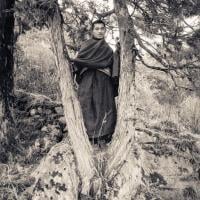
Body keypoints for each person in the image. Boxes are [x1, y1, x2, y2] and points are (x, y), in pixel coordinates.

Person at [72, 19, 120, 145]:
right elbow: (79, 60)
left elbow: (112, 65)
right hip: (88, 79)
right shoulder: (86, 45)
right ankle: (89, 135)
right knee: (87, 104)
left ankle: (103, 136)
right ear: (92, 31)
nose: (99, 31)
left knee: (103, 105)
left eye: (102, 28)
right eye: (97, 29)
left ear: (105, 30)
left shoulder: (108, 49)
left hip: (103, 80)